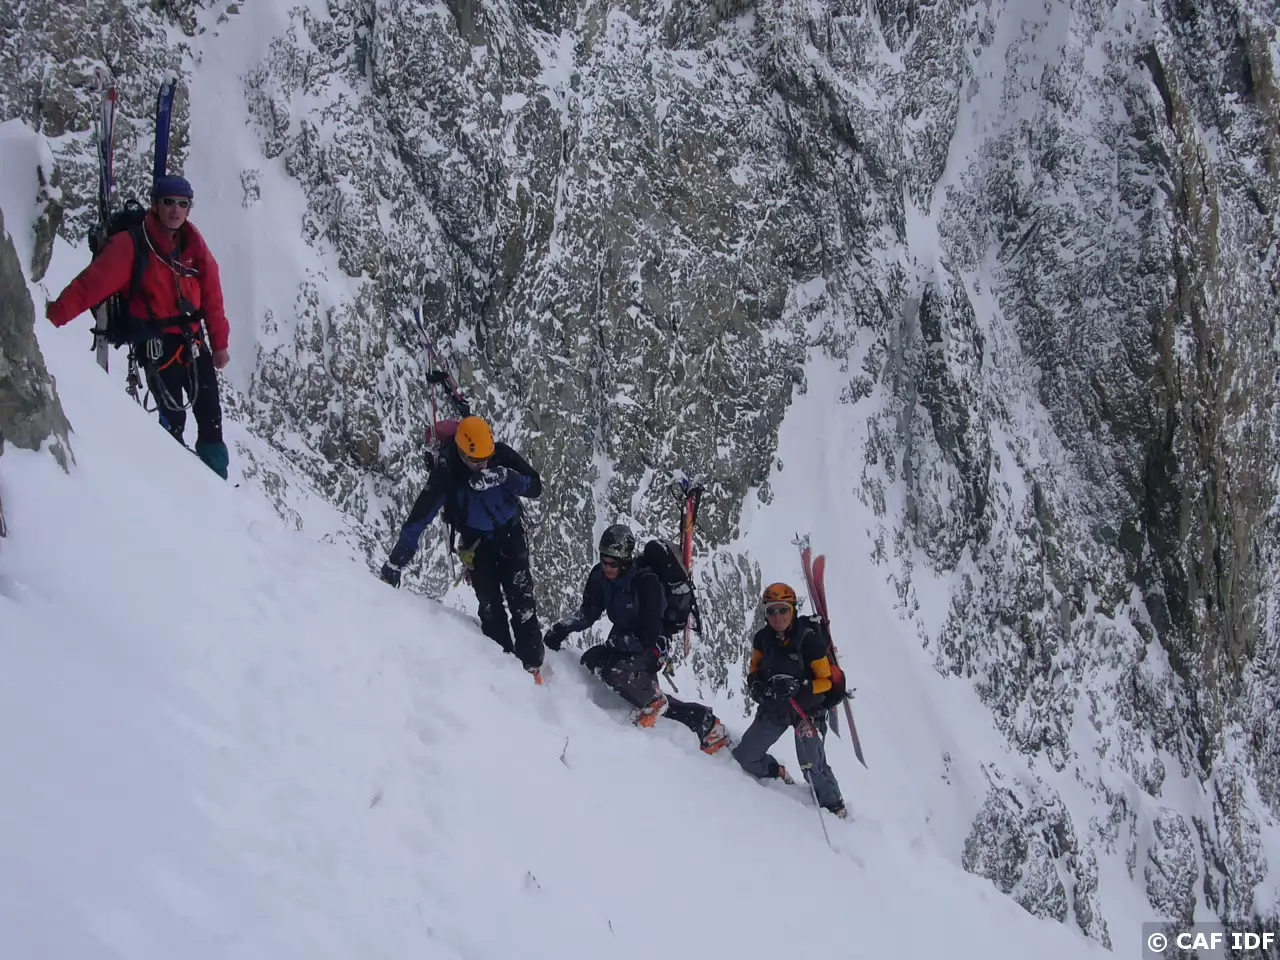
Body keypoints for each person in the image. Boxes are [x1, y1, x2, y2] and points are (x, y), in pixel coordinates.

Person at [45, 174, 231, 479]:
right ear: (155, 204)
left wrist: (220, 344)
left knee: (211, 416)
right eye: (169, 202)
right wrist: (50, 320)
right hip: (157, 345)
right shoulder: (131, 245)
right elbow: (90, 287)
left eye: (182, 204)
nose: (175, 210)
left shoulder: (193, 243)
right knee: (173, 419)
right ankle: (179, 482)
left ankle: (218, 481)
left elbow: (212, 294)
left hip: (193, 341)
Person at [380, 415, 546, 682]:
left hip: (511, 535)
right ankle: (504, 667)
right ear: (461, 452)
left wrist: (505, 476)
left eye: (486, 459)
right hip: (477, 547)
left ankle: (532, 665)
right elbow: (418, 519)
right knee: (490, 608)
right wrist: (396, 561)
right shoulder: (447, 475)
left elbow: (535, 485)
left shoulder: (500, 456)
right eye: (476, 461)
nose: (483, 466)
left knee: (522, 602)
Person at [543, 524, 730, 754]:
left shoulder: (646, 582)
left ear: (625, 561)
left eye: (613, 563)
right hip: (624, 635)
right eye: (604, 560)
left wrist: (615, 644)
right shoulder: (600, 576)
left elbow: (648, 635)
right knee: (596, 662)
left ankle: (661, 705)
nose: (607, 567)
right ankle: (694, 717)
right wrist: (561, 629)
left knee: (616, 671)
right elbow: (588, 612)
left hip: (653, 645)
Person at [732, 582, 847, 818]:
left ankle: (834, 806)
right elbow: (755, 670)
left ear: (793, 609)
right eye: (771, 611)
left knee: (811, 766)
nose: (777, 616)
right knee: (745, 757)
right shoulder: (763, 639)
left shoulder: (809, 640)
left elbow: (826, 681)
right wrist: (756, 686)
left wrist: (801, 686)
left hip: (806, 710)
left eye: (783, 609)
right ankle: (775, 772)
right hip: (775, 707)